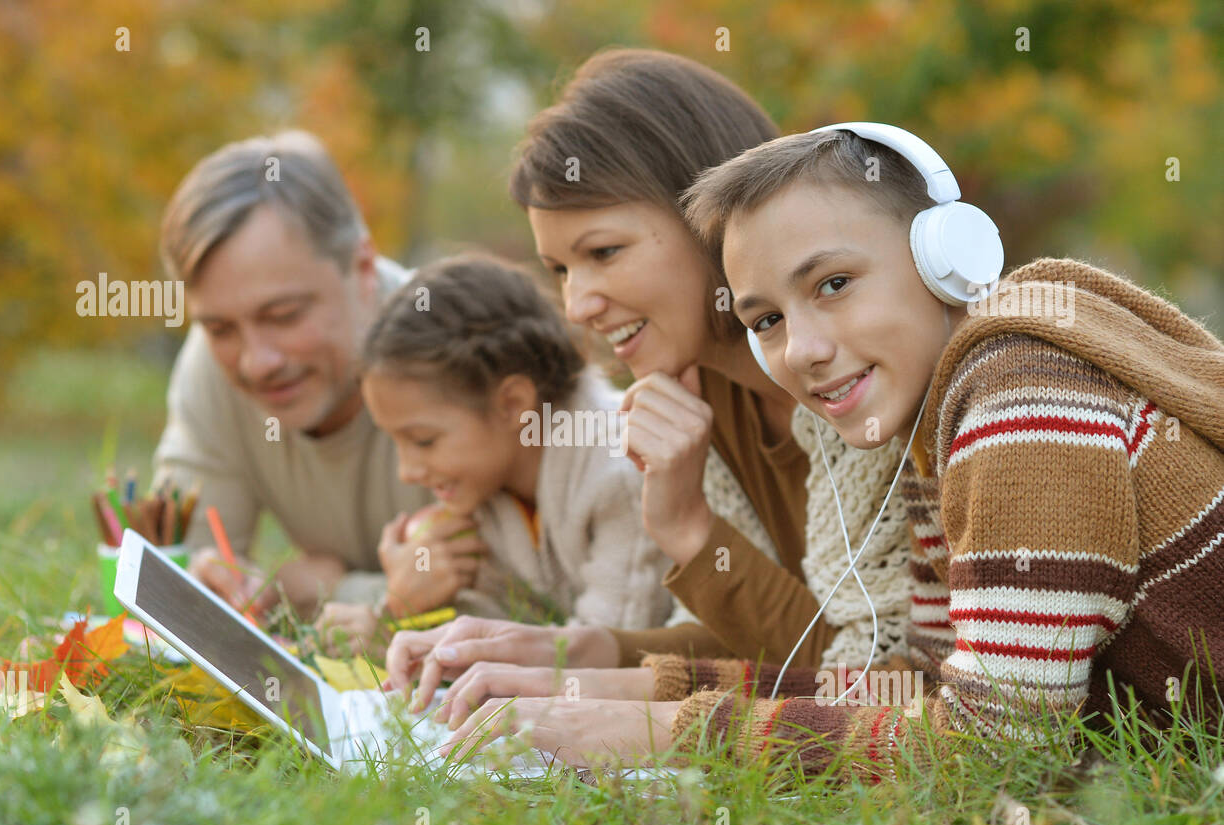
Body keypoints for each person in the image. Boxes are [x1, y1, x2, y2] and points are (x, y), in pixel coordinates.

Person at [444, 123, 1224, 774]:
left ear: (945, 259)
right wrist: (629, 690)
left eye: (833, 283)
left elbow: (995, 750)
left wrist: (670, 732)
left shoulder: (1022, 394)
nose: (802, 350)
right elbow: (914, 689)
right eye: (767, 321)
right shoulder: (939, 426)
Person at [385, 50, 914, 718]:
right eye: (560, 270)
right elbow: (760, 640)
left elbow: (866, 677)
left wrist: (690, 530)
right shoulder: (708, 396)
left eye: (603, 253)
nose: (578, 305)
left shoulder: (868, 384)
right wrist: (575, 653)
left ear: (717, 217)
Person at [152, 130, 454, 621]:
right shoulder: (208, 362)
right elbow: (178, 579)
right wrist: (212, 583)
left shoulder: (458, 352)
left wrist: (317, 587)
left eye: (285, 315)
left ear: (362, 268)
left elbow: (521, 598)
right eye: (220, 327)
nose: (257, 362)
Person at [316, 254, 677, 657]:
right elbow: (499, 624)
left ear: (511, 403)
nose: (407, 472)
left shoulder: (622, 471)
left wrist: (393, 638)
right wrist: (403, 608)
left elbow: (604, 653)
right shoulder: (487, 486)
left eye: (422, 441)